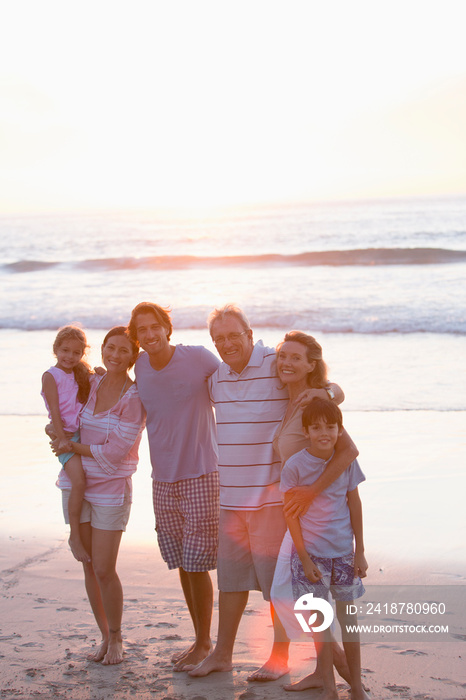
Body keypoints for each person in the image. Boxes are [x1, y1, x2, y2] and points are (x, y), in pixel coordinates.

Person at [190, 305, 357, 681]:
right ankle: (222, 654)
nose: (227, 343)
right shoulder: (215, 377)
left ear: (251, 334)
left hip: (269, 502)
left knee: (278, 588)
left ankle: (281, 658)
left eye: (234, 335)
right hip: (230, 499)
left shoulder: (273, 363)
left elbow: (324, 387)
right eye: (219, 338)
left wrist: (328, 390)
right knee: (231, 583)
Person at [128, 302, 220, 671]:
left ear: (168, 327)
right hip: (162, 477)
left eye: (155, 327)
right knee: (182, 563)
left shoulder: (197, 358)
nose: (150, 335)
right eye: (142, 331)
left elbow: (237, 377)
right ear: (136, 337)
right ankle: (200, 639)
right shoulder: (140, 368)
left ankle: (204, 643)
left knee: (198, 564)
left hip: (201, 472)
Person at [52, 326, 145, 665]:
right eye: (110, 348)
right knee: (88, 567)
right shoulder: (90, 382)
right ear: (102, 349)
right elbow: (62, 407)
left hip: (110, 488)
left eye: (123, 350)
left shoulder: (134, 398)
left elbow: (118, 450)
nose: (115, 355)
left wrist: (69, 445)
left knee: (105, 568)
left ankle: (118, 637)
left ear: (133, 357)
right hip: (77, 482)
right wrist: (56, 432)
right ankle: (104, 636)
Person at [271, 331, 356, 690]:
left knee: (287, 592)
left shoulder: (313, 406)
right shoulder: (292, 400)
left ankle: (338, 669)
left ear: (311, 365)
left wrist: (310, 494)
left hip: (318, 518)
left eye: (295, 358)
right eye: (282, 356)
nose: (286, 363)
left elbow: (349, 452)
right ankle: (328, 671)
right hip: (300, 515)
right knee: (299, 595)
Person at [281, 398, 369, 700]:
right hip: (311, 556)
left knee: (348, 621)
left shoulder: (346, 462)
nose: (324, 433)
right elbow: (290, 514)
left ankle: (356, 687)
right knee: (319, 625)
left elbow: (354, 503)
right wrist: (303, 558)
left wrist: (360, 551)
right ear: (306, 431)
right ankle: (329, 687)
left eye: (330, 427)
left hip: (344, 553)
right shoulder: (295, 466)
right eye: (316, 428)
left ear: (339, 429)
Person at [41, 325, 92, 563]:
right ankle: (74, 537)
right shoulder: (51, 376)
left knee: (87, 481)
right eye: (65, 351)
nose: (69, 357)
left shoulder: (80, 373)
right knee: (79, 482)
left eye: (75, 353)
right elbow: (54, 411)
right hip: (67, 438)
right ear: (55, 349)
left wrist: (99, 371)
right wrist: (61, 439)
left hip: (82, 436)